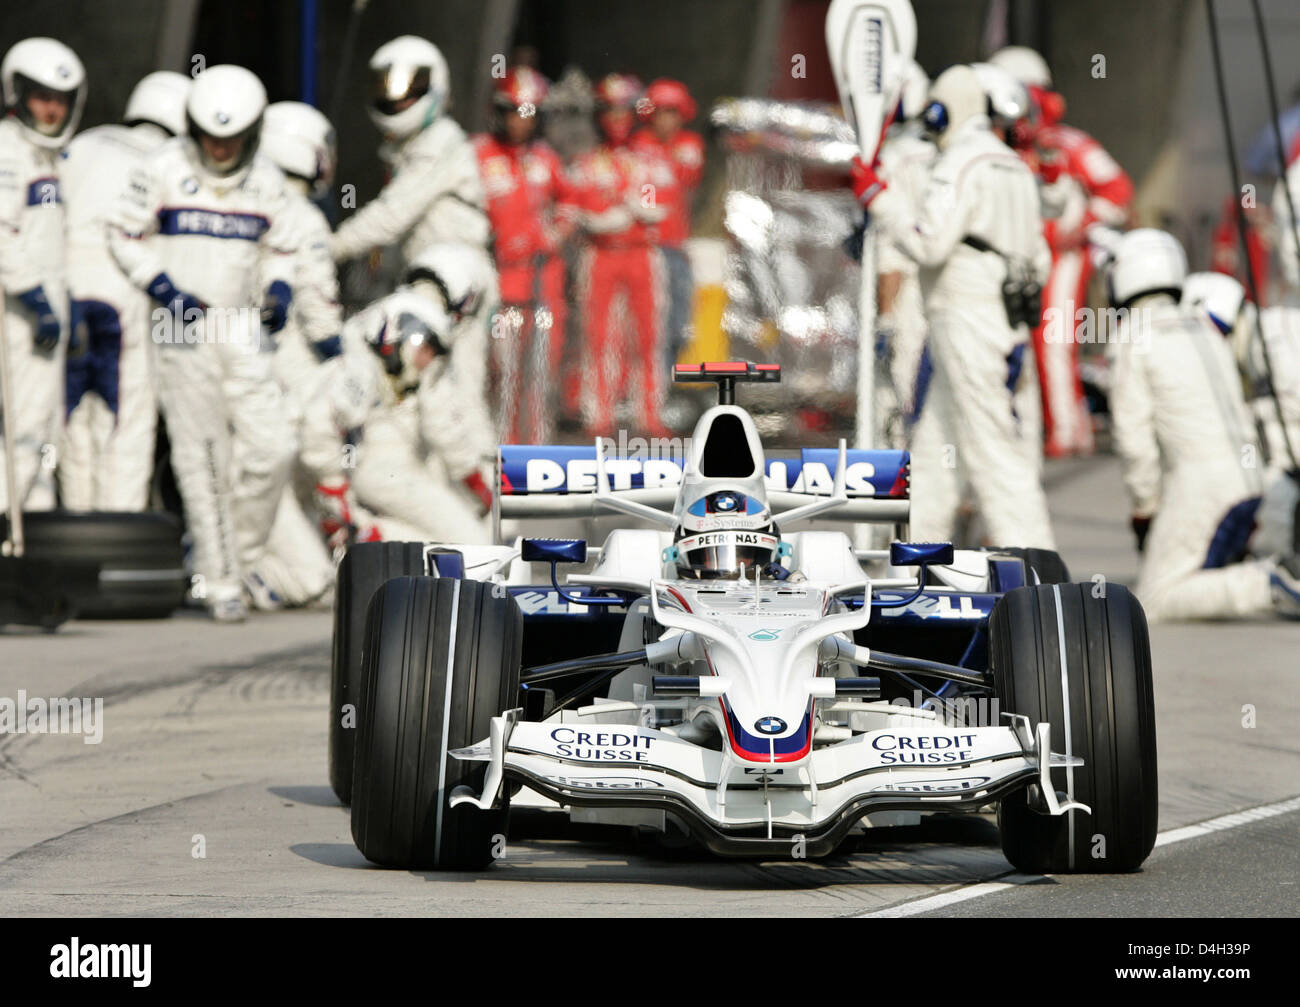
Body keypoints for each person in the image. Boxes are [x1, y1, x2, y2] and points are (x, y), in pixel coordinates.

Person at [108, 64, 298, 622]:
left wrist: (280, 289)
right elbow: (122, 233)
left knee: (274, 447)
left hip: (242, 324)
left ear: (253, 133)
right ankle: (219, 581)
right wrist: (161, 286)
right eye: (210, 136)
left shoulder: (267, 179)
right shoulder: (161, 168)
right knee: (204, 456)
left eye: (231, 138)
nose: (219, 148)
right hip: (180, 323)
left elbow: (284, 246)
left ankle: (236, 556)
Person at [852, 65, 1055, 549]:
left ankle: (1039, 567)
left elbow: (928, 243)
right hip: (1001, 313)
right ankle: (917, 554)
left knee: (993, 447)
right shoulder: (1012, 164)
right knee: (935, 451)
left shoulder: (960, 162)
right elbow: (1040, 257)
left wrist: (880, 202)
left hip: (965, 313)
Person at [1108, 231, 1300, 620]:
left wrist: (1145, 508)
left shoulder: (1132, 338)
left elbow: (1134, 442)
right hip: (1250, 478)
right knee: (1199, 570)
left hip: (1200, 485)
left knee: (1154, 599)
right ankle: (1261, 575)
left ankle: (1266, 582)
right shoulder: (1203, 327)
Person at [991, 45, 1133, 459]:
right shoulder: (999, 150)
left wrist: (1080, 227)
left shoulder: (1071, 144)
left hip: (1062, 261)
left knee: (1054, 345)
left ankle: (1069, 434)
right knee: (1015, 346)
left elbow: (1118, 192)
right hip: (1014, 258)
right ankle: (1035, 430)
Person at [59, 70, 190, 512]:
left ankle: (72, 531)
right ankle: (119, 537)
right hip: (127, 296)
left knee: (73, 419)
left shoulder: (82, 143)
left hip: (65, 289)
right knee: (126, 422)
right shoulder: (174, 161)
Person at [299, 289, 493, 544]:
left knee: (455, 543)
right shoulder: (359, 370)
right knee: (471, 542)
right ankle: (361, 533)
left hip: (381, 472)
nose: (427, 359)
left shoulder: (387, 372)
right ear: (395, 333)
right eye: (426, 347)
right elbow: (320, 423)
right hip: (376, 471)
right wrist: (332, 487)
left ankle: (367, 534)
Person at [247, 100, 344, 609]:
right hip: (280, 372)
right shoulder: (303, 217)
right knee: (313, 581)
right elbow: (321, 314)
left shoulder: (243, 198)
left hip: (227, 367)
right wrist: (341, 356)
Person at [0, 37, 85, 511]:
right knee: (25, 429)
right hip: (19, 315)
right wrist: (35, 299)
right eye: (41, 97)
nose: (51, 110)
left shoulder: (47, 157)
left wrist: (64, 300)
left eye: (60, 100)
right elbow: (2, 233)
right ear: (17, 94)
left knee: (42, 433)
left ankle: (32, 539)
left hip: (44, 309)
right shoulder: (8, 149)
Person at [563, 73, 673, 437]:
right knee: (599, 336)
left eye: (624, 111)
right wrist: (621, 210)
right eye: (610, 112)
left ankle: (650, 414)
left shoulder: (652, 158)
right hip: (602, 255)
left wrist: (625, 206)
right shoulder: (587, 161)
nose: (617, 119)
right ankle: (599, 414)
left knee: (648, 336)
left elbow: (662, 205)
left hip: (642, 253)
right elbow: (584, 211)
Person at [330, 36, 488, 273]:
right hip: (427, 270)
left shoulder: (441, 140)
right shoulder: (402, 146)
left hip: (456, 277)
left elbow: (393, 214)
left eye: (409, 89)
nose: (396, 101)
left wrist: (331, 248)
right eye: (385, 88)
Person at [472, 66, 571, 442]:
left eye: (528, 114)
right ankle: (500, 453)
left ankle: (539, 451)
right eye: (514, 112)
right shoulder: (478, 155)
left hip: (543, 285)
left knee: (541, 374)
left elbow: (570, 203)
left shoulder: (545, 158)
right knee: (503, 374)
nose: (520, 122)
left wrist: (554, 232)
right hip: (497, 285)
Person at [873, 58, 934, 449]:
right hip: (938, 285)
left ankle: (896, 467)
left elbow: (889, 248)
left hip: (904, 290)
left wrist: (885, 313)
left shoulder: (892, 159)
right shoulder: (937, 154)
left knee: (895, 382)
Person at [630, 79, 705, 369]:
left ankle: (666, 384)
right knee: (645, 325)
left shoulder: (689, 145)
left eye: (674, 112)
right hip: (644, 248)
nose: (668, 119)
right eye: (662, 111)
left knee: (678, 325)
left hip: (675, 246)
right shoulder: (636, 146)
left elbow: (688, 177)